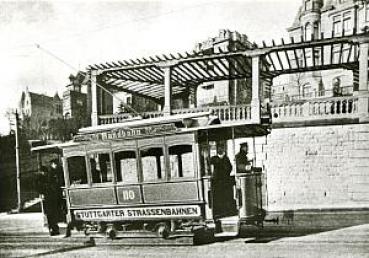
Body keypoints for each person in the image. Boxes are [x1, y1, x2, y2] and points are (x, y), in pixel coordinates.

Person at [210, 145, 236, 218]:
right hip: (217, 181)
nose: (220, 149)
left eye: (221, 148)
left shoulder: (226, 158)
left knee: (226, 196)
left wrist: (225, 172)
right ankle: (219, 211)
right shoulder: (214, 158)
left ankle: (226, 211)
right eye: (219, 148)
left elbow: (229, 168)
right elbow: (211, 168)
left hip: (225, 181)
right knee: (218, 197)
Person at [36, 165, 61, 236]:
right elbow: (38, 187)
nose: (44, 173)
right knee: (50, 214)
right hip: (47, 198)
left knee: (53, 214)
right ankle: (52, 229)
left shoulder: (49, 178)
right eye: (43, 172)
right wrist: (41, 193)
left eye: (44, 172)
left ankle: (54, 228)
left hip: (51, 198)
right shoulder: (40, 179)